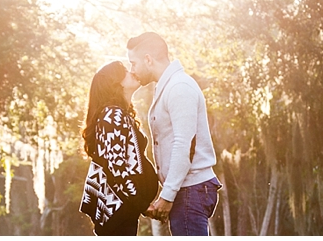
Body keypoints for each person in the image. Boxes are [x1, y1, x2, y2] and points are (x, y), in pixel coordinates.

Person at [127, 32, 221, 236]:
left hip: (191, 190)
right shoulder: (167, 86)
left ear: (148, 59)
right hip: (187, 190)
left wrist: (167, 196)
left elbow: (184, 145)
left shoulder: (179, 87)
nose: (132, 70)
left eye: (133, 63)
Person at [80, 60, 159, 236]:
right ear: (115, 83)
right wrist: (142, 204)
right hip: (118, 211)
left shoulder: (117, 114)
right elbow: (117, 170)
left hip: (123, 210)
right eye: (124, 71)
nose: (132, 71)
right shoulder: (112, 115)